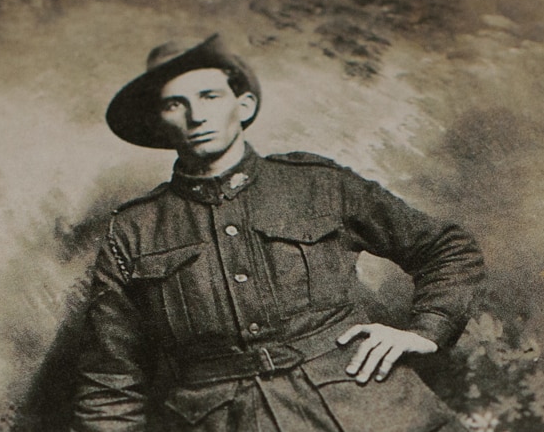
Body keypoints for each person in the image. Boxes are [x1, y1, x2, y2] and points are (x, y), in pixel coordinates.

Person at [71, 33, 485, 432]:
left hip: (366, 407)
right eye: (175, 105)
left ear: (244, 104)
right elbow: (111, 381)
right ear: (159, 123)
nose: (196, 116)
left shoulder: (317, 184)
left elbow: (447, 248)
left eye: (210, 97)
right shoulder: (131, 231)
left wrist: (426, 330)